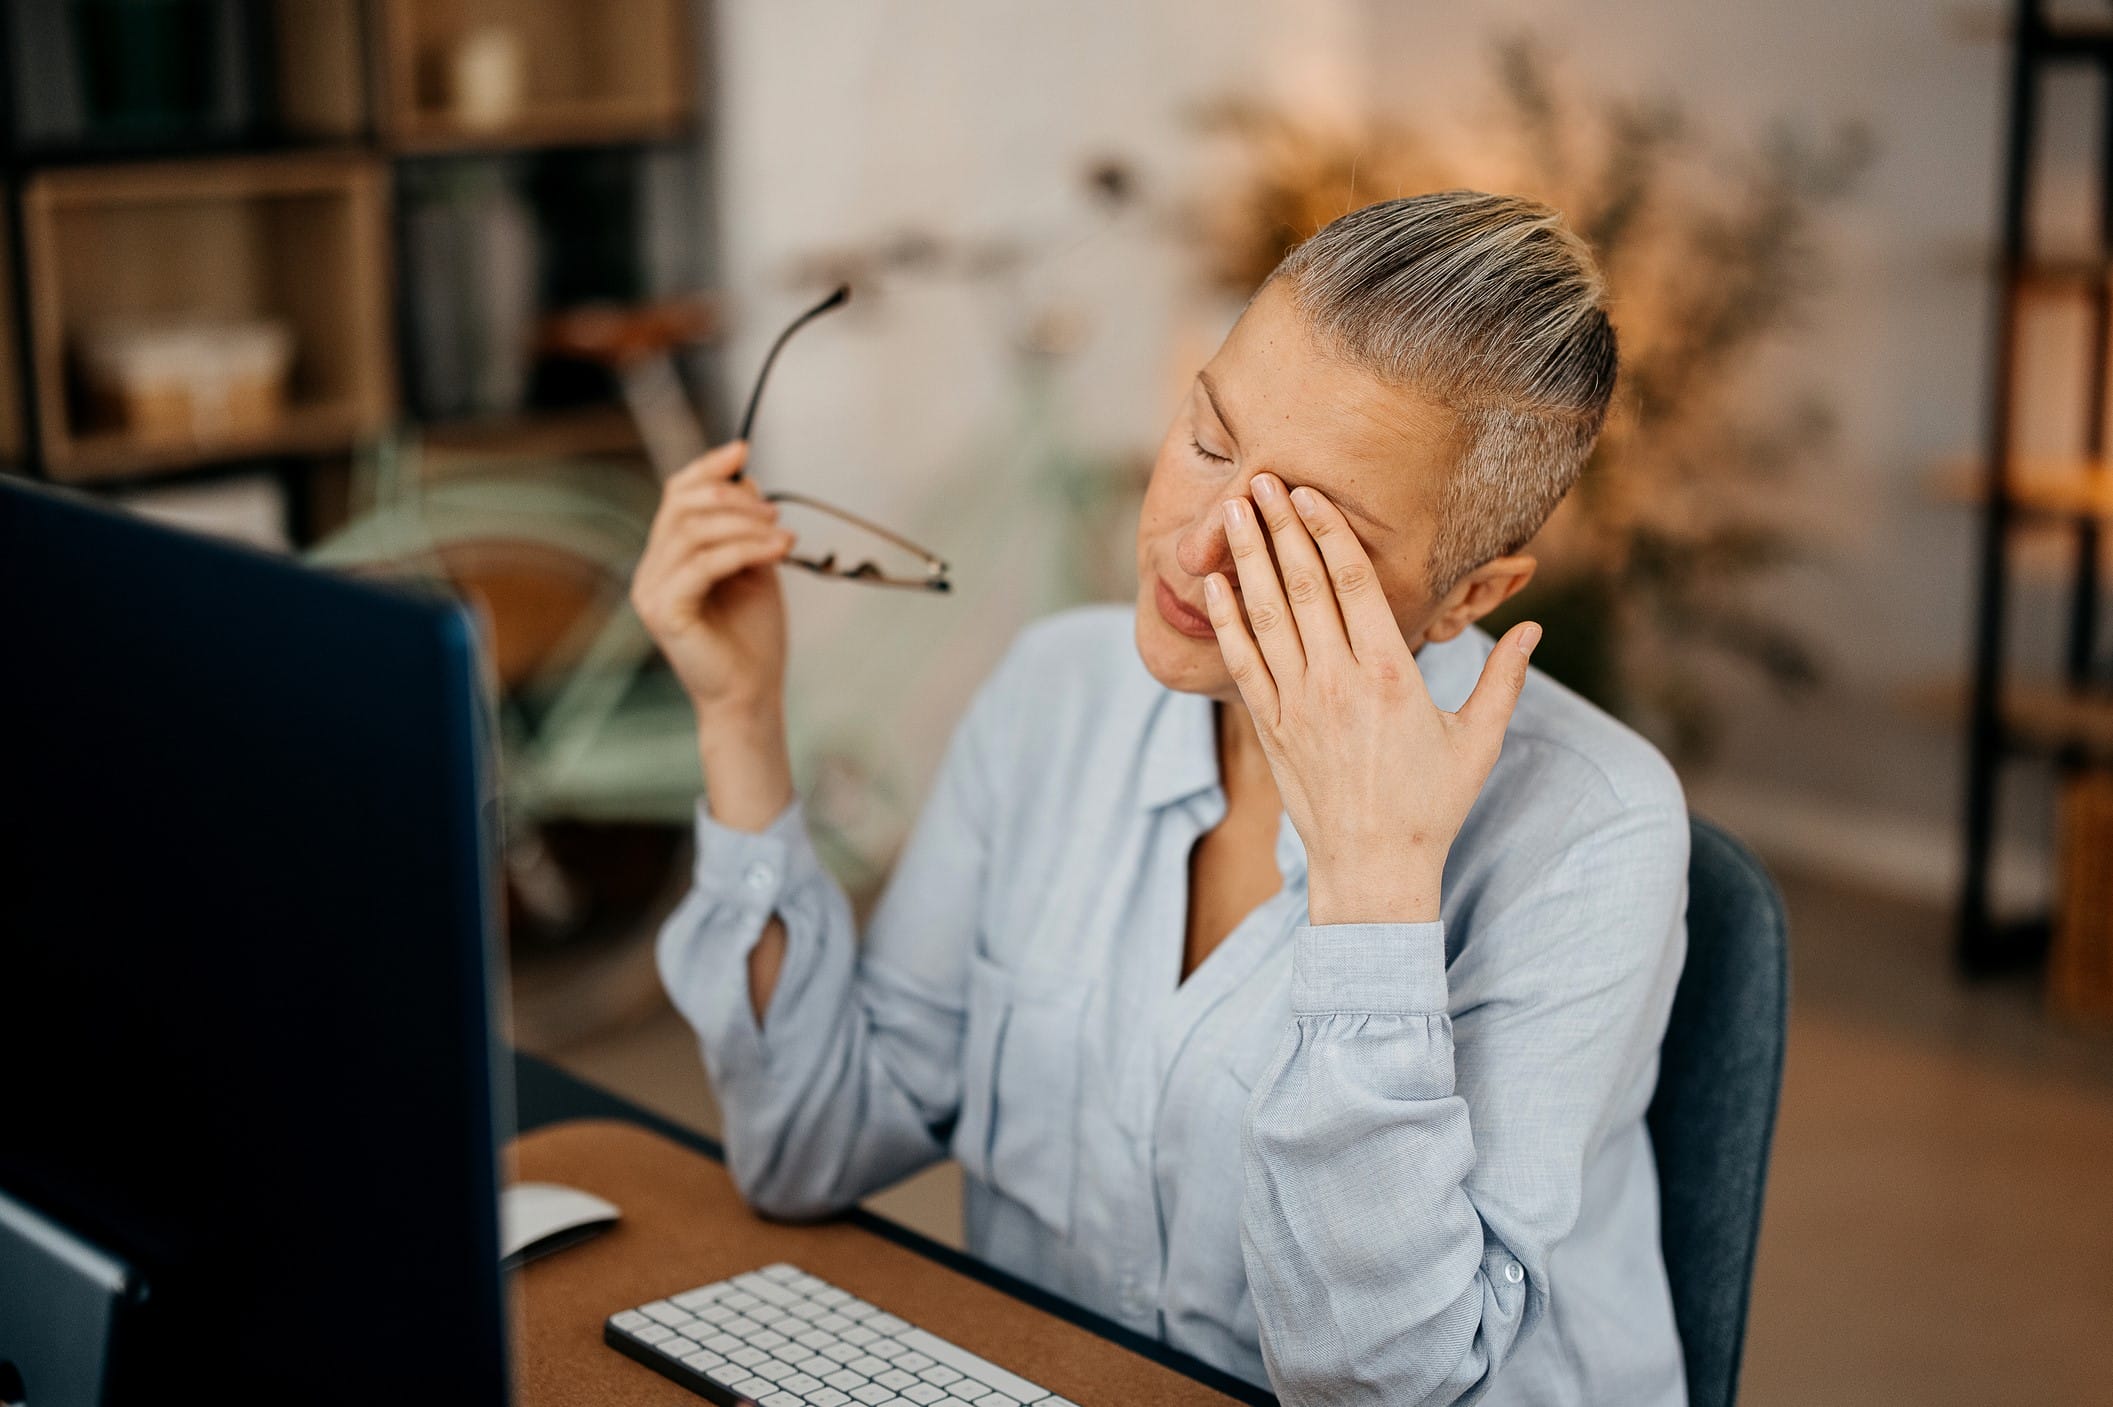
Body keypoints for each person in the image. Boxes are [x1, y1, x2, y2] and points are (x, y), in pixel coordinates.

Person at [632, 191, 1689, 1406]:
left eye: (1306, 535)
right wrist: (738, 715)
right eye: (1208, 439)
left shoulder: (1594, 832)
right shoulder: (1052, 696)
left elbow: (1385, 1387)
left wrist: (1372, 890)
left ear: (1465, 598)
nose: (1194, 550)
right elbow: (807, 1144)